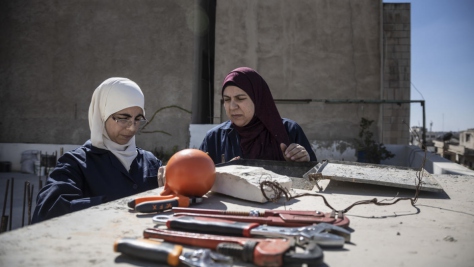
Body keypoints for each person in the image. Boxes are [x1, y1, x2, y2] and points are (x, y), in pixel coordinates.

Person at [32, 77, 162, 223]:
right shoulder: (76, 164)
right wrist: (111, 206)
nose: (132, 127)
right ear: (102, 115)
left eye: (137, 119)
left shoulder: (150, 162)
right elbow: (48, 211)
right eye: (123, 118)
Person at [199, 67, 317, 164]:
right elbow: (196, 176)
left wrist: (302, 161)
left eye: (240, 98)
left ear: (258, 99)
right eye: (227, 99)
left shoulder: (289, 130)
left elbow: (314, 177)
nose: (232, 106)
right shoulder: (215, 137)